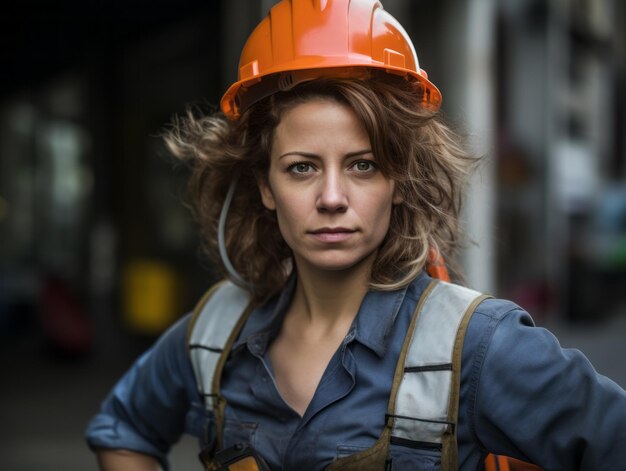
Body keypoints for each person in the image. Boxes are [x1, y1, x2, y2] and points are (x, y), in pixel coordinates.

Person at [85, 0, 626, 470]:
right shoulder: (213, 334)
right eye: (301, 168)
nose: (332, 197)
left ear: (398, 180)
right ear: (265, 186)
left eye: (363, 165)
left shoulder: (485, 347)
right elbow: (121, 428)